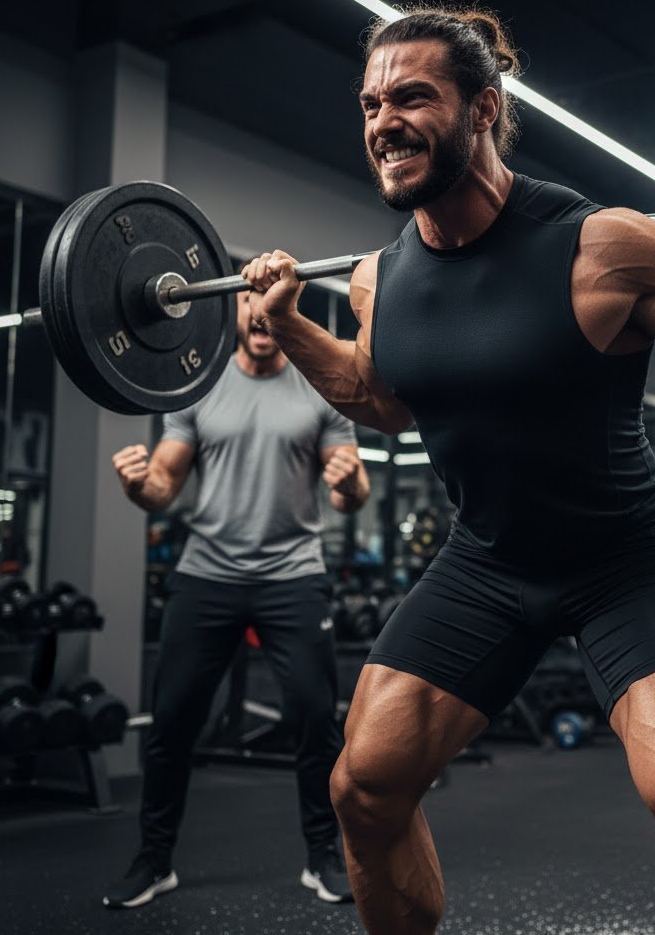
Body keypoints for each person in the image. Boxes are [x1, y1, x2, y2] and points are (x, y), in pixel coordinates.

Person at [243, 6, 655, 935]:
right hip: (488, 563)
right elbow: (383, 395)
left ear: (483, 108)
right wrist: (297, 326)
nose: (382, 121)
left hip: (623, 560)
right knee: (364, 790)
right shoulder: (377, 280)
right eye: (370, 104)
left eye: (412, 97)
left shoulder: (609, 244)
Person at [102, 282, 370, 910]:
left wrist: (354, 483)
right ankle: (154, 859)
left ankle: (322, 855)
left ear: (283, 313)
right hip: (207, 575)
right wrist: (140, 487)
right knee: (172, 722)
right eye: (248, 299)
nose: (258, 311)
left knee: (312, 716)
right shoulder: (198, 388)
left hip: (292, 575)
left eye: (270, 300)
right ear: (234, 311)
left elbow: (345, 494)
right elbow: (165, 483)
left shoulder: (319, 389)